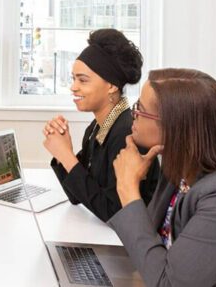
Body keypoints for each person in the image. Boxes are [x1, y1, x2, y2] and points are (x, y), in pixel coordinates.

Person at [111, 68, 216, 286]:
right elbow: (149, 249)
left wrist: (128, 189)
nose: (134, 115)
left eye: (140, 109)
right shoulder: (179, 169)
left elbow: (168, 283)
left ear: (174, 126)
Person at [42, 29, 160, 222]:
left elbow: (115, 213)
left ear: (112, 86)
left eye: (83, 80)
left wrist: (66, 155)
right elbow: (77, 195)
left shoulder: (127, 134)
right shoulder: (97, 128)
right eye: (73, 79)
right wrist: (63, 152)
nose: (73, 87)